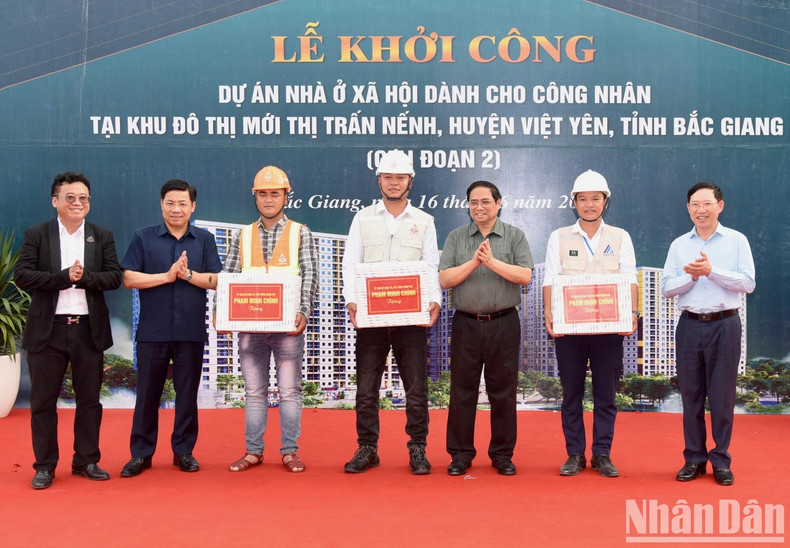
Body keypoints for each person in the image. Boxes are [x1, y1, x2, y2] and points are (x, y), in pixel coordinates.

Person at [15, 171, 122, 490]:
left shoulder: (101, 236)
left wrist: (85, 277)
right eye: (71, 197)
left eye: (84, 198)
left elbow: (114, 277)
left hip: (89, 330)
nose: (78, 203)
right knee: (43, 402)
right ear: (55, 201)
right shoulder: (38, 234)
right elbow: (23, 275)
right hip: (49, 331)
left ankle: (86, 460)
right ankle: (45, 466)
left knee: (90, 400)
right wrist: (63, 277)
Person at [341, 149, 441, 475]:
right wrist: (351, 299)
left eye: (400, 177)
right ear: (379, 180)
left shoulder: (425, 222)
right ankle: (367, 448)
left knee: (416, 388)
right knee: (366, 388)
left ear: (410, 181)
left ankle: (418, 449)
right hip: (370, 318)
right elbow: (350, 263)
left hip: (410, 319)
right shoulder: (362, 218)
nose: (394, 183)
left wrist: (435, 300)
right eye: (388, 177)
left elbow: (431, 267)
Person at [119, 179, 222, 477]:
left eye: (182, 203)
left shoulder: (204, 239)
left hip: (190, 331)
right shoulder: (143, 237)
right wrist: (165, 277)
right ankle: (140, 454)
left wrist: (187, 274)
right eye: (170, 203)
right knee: (147, 396)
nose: (176, 209)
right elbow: (129, 278)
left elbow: (216, 281)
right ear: (161, 204)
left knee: (187, 395)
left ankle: (184, 452)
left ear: (193, 206)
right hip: (153, 331)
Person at [221, 165, 318, 474]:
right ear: (255, 197)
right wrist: (220, 314)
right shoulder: (242, 235)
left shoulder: (299, 231)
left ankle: (290, 451)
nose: (268, 200)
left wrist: (304, 311)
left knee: (289, 391)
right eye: (262, 194)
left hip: (287, 328)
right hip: (250, 329)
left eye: (274, 194)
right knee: (254, 393)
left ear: (286, 196)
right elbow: (229, 277)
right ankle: (253, 451)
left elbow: (310, 275)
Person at [543, 170, 638, 478]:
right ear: (574, 202)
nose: (589, 205)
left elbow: (630, 278)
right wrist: (549, 314)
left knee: (605, 394)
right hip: (570, 332)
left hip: (609, 332)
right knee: (571, 393)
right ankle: (574, 454)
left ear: (605, 202)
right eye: (582, 199)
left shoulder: (620, 237)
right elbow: (550, 279)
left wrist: (633, 314)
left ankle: (602, 454)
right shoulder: (559, 237)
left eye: (595, 199)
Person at [661, 181, 755, 486]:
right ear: (688, 208)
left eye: (707, 204)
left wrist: (711, 271)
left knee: (723, 395)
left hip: (725, 324)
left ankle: (721, 460)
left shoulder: (737, 241)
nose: (701, 210)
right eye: (695, 205)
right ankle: (694, 459)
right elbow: (665, 288)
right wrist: (692, 276)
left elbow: (747, 283)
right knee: (691, 395)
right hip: (689, 325)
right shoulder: (679, 245)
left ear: (720, 206)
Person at [439, 180, 533, 476]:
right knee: (462, 391)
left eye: (485, 202)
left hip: (504, 323)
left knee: (503, 392)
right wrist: (473, 263)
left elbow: (525, 275)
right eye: (473, 202)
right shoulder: (456, 237)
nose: (478, 207)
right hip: (466, 323)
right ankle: (460, 454)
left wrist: (492, 262)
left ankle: (502, 454)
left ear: (498, 203)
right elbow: (445, 279)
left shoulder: (514, 236)